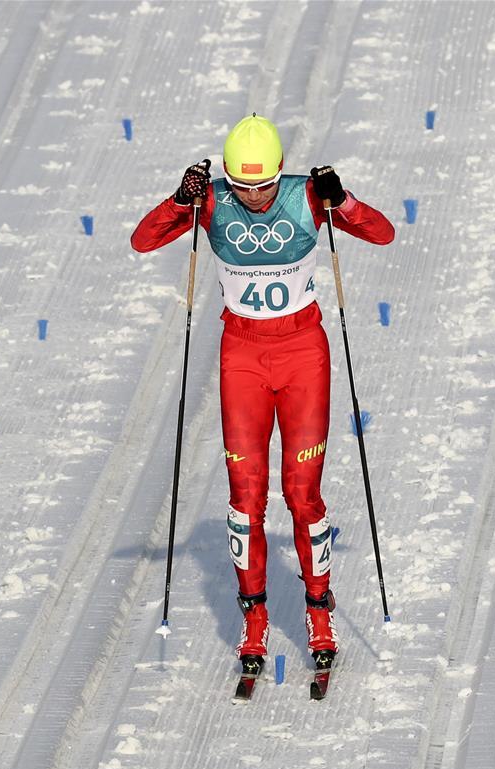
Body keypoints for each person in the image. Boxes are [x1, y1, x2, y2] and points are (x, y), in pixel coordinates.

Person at [131, 114, 394, 678]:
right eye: (243, 186)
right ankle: (254, 618)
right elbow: (143, 240)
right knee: (245, 499)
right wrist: (181, 201)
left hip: (303, 355)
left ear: (281, 172)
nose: (254, 197)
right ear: (228, 177)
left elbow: (382, 232)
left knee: (302, 494)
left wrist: (341, 201)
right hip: (242, 358)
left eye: (265, 185)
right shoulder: (213, 200)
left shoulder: (306, 196)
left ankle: (318, 612)